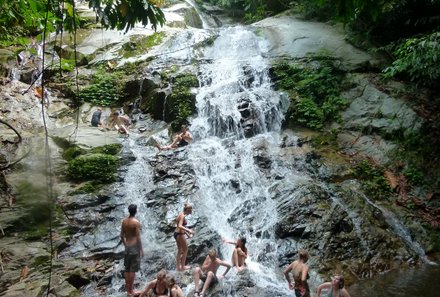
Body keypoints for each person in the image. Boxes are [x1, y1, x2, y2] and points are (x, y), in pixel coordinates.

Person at [120, 204, 144, 296]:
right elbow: (138, 237)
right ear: (136, 211)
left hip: (127, 247)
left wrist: (125, 245)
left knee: (127, 269)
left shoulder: (124, 221)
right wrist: (141, 249)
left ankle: (128, 290)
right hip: (134, 248)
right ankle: (131, 291)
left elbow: (121, 236)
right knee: (132, 270)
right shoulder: (136, 222)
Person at [174, 203, 195, 271]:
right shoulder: (182, 216)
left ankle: (178, 267)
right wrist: (189, 230)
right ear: (188, 210)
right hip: (180, 234)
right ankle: (183, 267)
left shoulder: (180, 214)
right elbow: (180, 225)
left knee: (180, 250)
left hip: (177, 233)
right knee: (185, 250)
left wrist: (187, 234)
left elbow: (179, 226)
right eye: (191, 210)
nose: (191, 212)